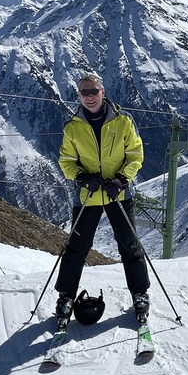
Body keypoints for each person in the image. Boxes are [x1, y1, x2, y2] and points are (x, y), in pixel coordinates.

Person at [55, 72, 150, 325]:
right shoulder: (73, 127)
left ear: (103, 92)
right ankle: (66, 297)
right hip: (88, 195)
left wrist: (122, 179)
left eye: (93, 91)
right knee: (76, 248)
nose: (89, 97)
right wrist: (82, 178)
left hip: (118, 191)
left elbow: (135, 155)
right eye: (84, 93)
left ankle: (140, 293)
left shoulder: (123, 121)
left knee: (129, 245)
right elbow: (66, 161)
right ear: (79, 96)